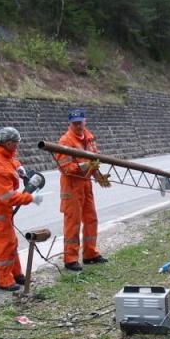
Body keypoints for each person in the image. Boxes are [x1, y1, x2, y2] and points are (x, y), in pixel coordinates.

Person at [0, 127, 43, 291]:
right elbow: (8, 198)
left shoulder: (0, 152)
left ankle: (16, 274)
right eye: (16, 144)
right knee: (4, 245)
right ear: (8, 143)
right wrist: (31, 198)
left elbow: (11, 160)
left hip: (0, 207)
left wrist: (18, 167)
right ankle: (4, 280)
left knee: (12, 242)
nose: (17, 147)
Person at [56, 108, 110, 272]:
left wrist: (98, 176)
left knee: (91, 219)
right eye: (75, 123)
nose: (79, 126)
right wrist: (84, 166)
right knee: (73, 222)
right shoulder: (65, 142)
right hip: (72, 186)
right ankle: (70, 258)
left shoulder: (89, 137)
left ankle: (90, 254)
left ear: (85, 121)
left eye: (81, 122)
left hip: (86, 184)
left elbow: (94, 159)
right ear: (70, 124)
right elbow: (64, 168)